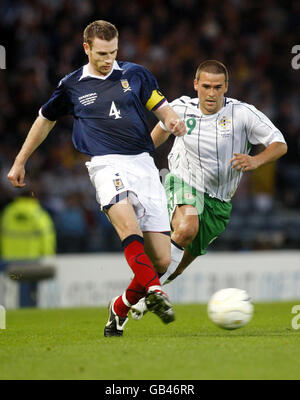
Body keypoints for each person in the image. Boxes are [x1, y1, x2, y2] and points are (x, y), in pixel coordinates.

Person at [7, 20, 186, 336]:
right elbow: (44, 120)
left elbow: (162, 108)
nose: (108, 60)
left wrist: (173, 121)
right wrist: (21, 161)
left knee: (160, 259)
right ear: (86, 47)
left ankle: (119, 308)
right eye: (102, 53)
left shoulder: (135, 74)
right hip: (105, 165)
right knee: (128, 226)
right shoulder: (72, 85)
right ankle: (157, 293)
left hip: (144, 165)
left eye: (114, 52)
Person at [131, 59, 287, 320]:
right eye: (206, 86)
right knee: (187, 226)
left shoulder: (243, 113)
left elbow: (279, 143)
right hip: (182, 180)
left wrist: (255, 160)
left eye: (217, 87)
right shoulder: (180, 107)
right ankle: (145, 295)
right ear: (196, 85)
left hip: (220, 202)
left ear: (226, 87)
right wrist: (137, 164)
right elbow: (156, 136)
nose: (211, 93)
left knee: (178, 267)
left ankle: (132, 301)